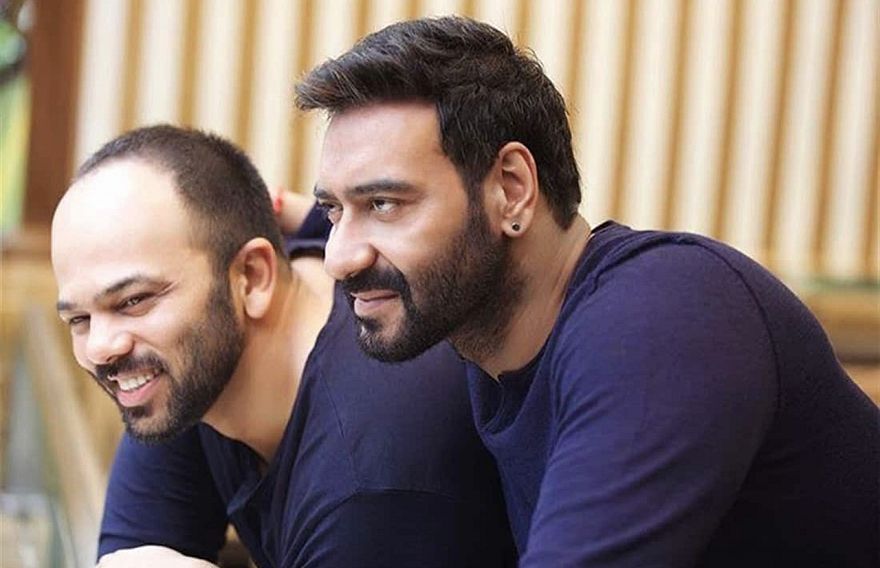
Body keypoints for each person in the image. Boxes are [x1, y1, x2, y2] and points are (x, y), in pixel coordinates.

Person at [294, 16, 880, 567]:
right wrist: (297, 219)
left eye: (384, 204)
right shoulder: (480, 305)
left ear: (512, 189)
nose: (341, 258)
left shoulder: (658, 321)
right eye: (335, 209)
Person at [50, 125, 516, 567]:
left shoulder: (368, 486)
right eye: (79, 319)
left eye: (133, 301)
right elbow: (137, 550)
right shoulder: (194, 362)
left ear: (252, 277)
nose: (101, 348)